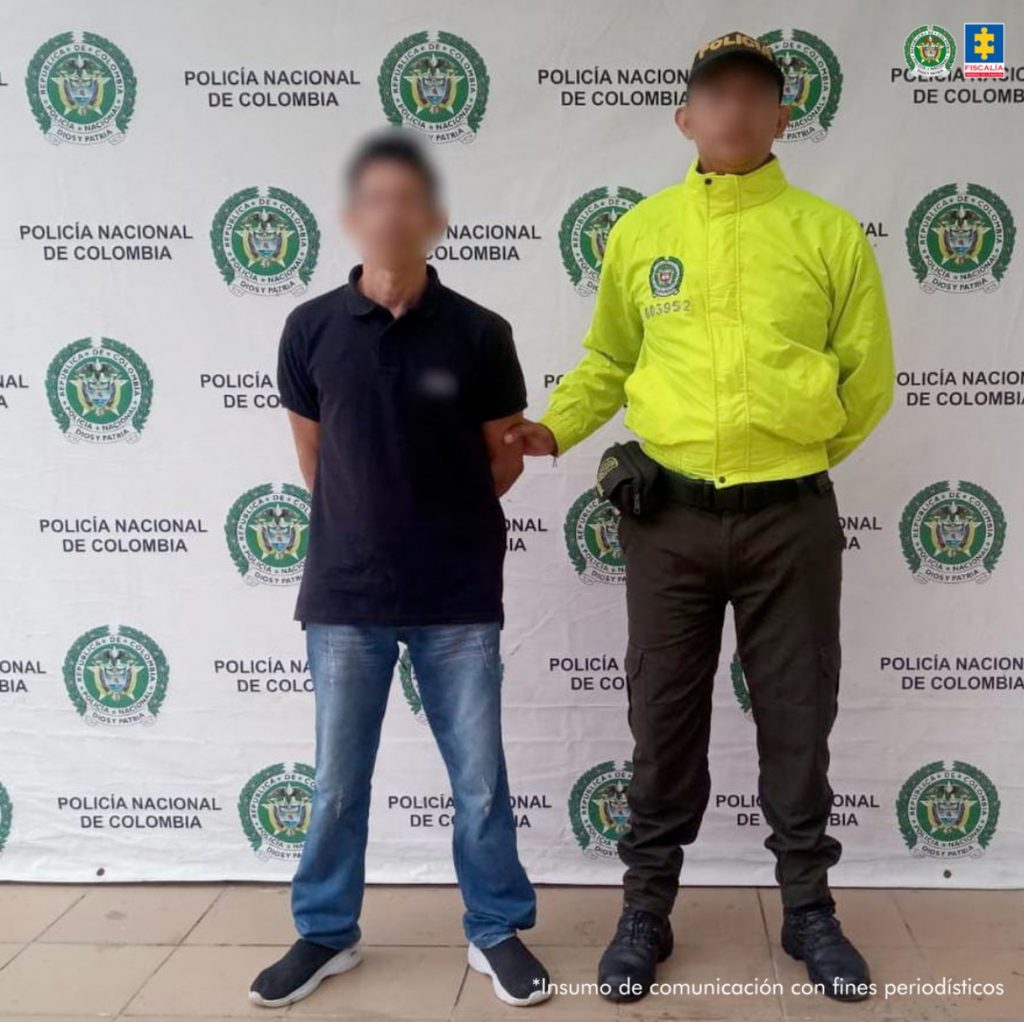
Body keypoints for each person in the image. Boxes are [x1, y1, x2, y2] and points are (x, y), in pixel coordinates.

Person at [505, 31, 895, 1005]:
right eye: (714, 95)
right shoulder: (642, 233)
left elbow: (867, 382)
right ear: (685, 118)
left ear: (780, 117)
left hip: (788, 522)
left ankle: (808, 910)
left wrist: (783, 458)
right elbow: (608, 360)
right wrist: (549, 430)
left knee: (798, 718)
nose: (733, 109)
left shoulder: (828, 233)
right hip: (668, 523)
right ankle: (646, 908)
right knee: (663, 718)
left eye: (753, 96)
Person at [249, 129, 551, 1009]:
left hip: (458, 591)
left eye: (408, 200)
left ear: (437, 219)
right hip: (346, 594)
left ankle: (496, 930)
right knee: (339, 779)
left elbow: (504, 459)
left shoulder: (481, 332)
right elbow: (317, 463)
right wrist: (369, 525)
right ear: (351, 218)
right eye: (375, 199)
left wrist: (434, 515)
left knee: (480, 779)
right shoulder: (308, 329)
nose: (392, 215)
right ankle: (326, 932)